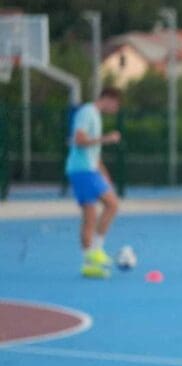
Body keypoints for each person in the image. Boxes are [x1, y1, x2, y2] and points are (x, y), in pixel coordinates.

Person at [65, 87, 122, 279]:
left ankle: (95, 252)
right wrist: (107, 139)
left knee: (110, 205)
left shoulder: (95, 115)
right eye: (116, 104)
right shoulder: (87, 112)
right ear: (108, 99)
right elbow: (79, 140)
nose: (116, 109)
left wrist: (104, 174)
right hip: (81, 170)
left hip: (89, 170)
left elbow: (93, 153)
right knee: (92, 215)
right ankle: (90, 260)